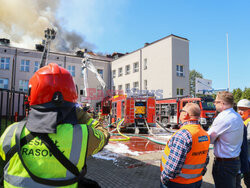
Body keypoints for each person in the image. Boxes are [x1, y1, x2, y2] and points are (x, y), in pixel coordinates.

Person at [0, 63, 110, 187]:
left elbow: (4, 155)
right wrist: (82, 116)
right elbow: (104, 135)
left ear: (31, 94)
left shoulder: (11, 131)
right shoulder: (82, 135)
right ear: (73, 93)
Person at [160, 103, 210, 188]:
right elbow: (206, 159)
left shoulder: (183, 135)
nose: (179, 114)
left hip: (178, 182)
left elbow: (173, 166)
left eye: (181, 111)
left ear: (185, 115)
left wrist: (164, 178)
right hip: (196, 181)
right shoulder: (204, 134)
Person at [208, 91, 244, 188]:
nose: (214, 104)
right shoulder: (237, 116)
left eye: (216, 102)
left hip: (224, 164)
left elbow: (209, 139)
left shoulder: (223, 117)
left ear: (222, 103)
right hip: (235, 161)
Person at [237, 99, 250, 187]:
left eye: (243, 109)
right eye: (239, 109)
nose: (240, 111)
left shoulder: (249, 122)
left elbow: (248, 139)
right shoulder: (241, 121)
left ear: (249, 110)